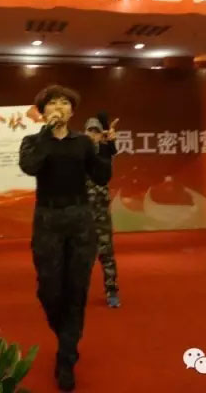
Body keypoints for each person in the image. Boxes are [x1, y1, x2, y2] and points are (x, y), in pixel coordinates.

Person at [19, 85, 112, 391]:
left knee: (76, 289)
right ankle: (67, 337)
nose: (58, 107)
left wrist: (106, 149)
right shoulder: (32, 141)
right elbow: (30, 166)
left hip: (80, 220)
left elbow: (101, 177)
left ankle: (66, 357)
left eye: (64, 103)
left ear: (72, 112)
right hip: (47, 220)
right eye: (52, 103)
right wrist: (47, 133)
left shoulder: (83, 142)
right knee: (49, 290)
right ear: (42, 111)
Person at [84, 117, 121, 308]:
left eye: (96, 131)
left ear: (101, 135)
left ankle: (111, 290)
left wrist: (109, 144)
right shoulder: (77, 155)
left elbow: (105, 172)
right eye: (89, 131)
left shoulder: (104, 154)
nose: (92, 135)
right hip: (81, 215)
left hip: (100, 213)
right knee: (80, 257)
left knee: (106, 253)